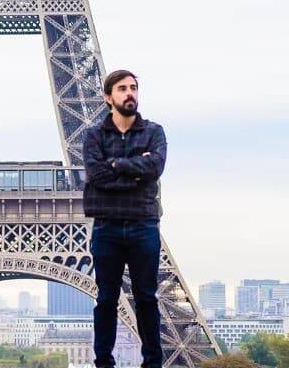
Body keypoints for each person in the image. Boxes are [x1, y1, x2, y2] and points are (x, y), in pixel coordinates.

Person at [83, 69, 167, 368]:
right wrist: (134, 171)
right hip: (107, 225)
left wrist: (115, 164)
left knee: (147, 298)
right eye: (122, 88)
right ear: (108, 97)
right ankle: (103, 363)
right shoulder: (93, 135)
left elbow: (155, 167)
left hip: (143, 225)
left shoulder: (154, 132)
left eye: (133, 87)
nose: (129, 93)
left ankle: (152, 363)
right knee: (106, 299)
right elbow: (96, 175)